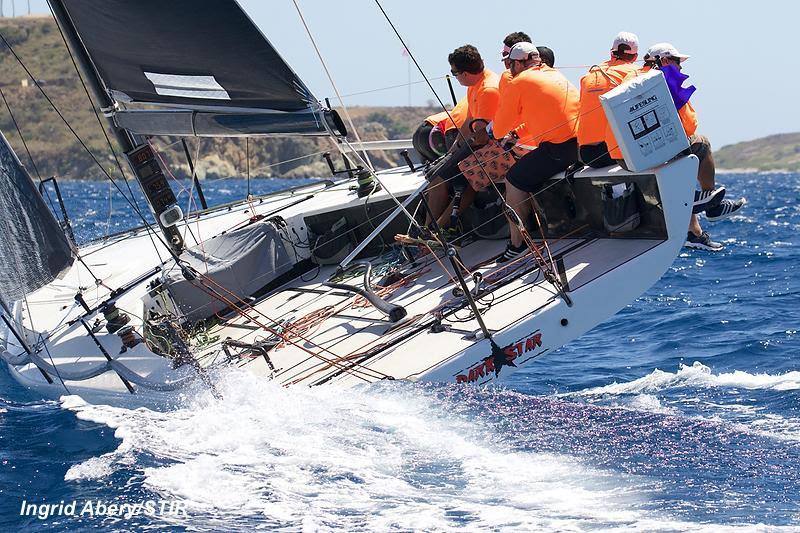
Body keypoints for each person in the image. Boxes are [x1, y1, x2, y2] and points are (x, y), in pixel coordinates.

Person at [642, 43, 746, 251]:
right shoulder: (658, 80)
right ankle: (713, 203)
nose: (680, 67)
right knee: (703, 144)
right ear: (664, 61)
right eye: (677, 61)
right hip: (660, 148)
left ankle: (694, 233)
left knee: (687, 172)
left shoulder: (646, 79)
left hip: (657, 147)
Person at [490, 42, 580, 261]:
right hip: (579, 145)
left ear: (520, 63)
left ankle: (517, 244)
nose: (509, 69)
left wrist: (492, 131)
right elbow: (546, 115)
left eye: (510, 63)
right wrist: (519, 134)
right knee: (528, 166)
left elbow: (499, 128)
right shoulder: (555, 74)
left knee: (513, 179)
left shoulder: (520, 81)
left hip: (559, 149)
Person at [423, 45, 500, 229]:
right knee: (447, 173)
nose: (454, 76)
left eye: (454, 72)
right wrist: (451, 152)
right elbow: (469, 121)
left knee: (439, 178)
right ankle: (435, 229)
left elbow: (480, 135)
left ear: (465, 73)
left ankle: (430, 229)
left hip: (493, 146)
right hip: (480, 143)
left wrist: (456, 156)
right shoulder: (475, 85)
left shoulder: (488, 89)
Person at [577, 32, 641, 168]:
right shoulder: (635, 73)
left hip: (586, 154)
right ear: (635, 57)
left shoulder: (588, 76)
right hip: (611, 152)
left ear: (612, 53)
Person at [412, 97, 468, 163]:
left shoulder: (455, 113)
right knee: (448, 165)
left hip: (418, 135)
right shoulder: (465, 117)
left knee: (430, 166)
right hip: (432, 134)